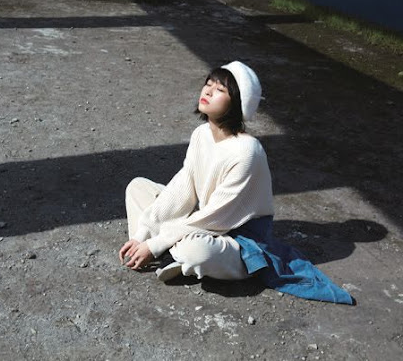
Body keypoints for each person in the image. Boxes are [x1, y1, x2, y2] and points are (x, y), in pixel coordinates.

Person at [118, 61, 353, 304]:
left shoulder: (246, 151)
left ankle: (172, 252)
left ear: (238, 103)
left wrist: (156, 243)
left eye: (220, 90)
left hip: (237, 238)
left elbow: (215, 218)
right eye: (209, 84)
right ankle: (161, 250)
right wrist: (143, 234)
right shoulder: (201, 134)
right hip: (208, 221)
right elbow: (182, 187)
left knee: (196, 251)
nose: (208, 91)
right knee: (137, 187)